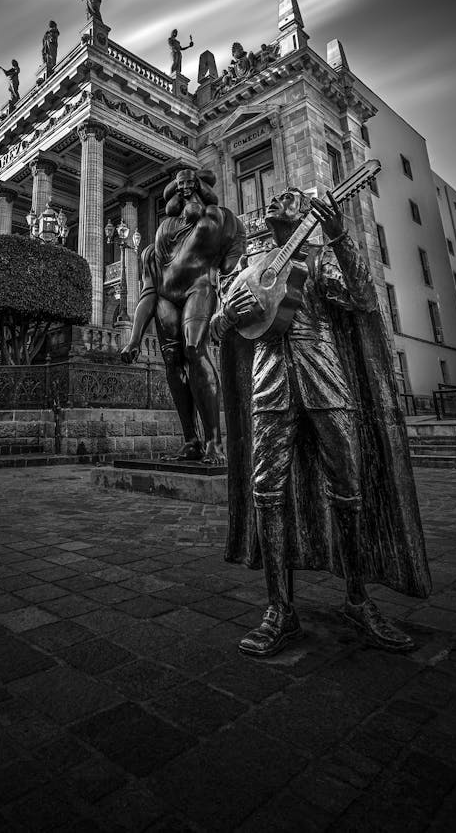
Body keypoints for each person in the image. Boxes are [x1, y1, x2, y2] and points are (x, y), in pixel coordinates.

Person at [212, 186, 431, 656]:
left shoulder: (316, 259)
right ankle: (279, 608)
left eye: (288, 197)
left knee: (349, 486)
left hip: (325, 374)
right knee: (265, 490)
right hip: (269, 383)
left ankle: (357, 596)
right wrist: (228, 314)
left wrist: (339, 235)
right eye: (274, 198)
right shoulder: (249, 269)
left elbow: (364, 299)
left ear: (305, 210)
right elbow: (215, 326)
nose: (276, 200)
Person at [121, 168, 245, 464]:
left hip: (198, 288)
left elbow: (232, 259)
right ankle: (191, 440)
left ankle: (214, 442)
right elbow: (149, 292)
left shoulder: (219, 218)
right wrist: (134, 339)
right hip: (166, 298)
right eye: (180, 188)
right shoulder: (159, 240)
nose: (186, 191)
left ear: (201, 188)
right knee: (172, 362)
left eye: (192, 186)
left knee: (194, 348)